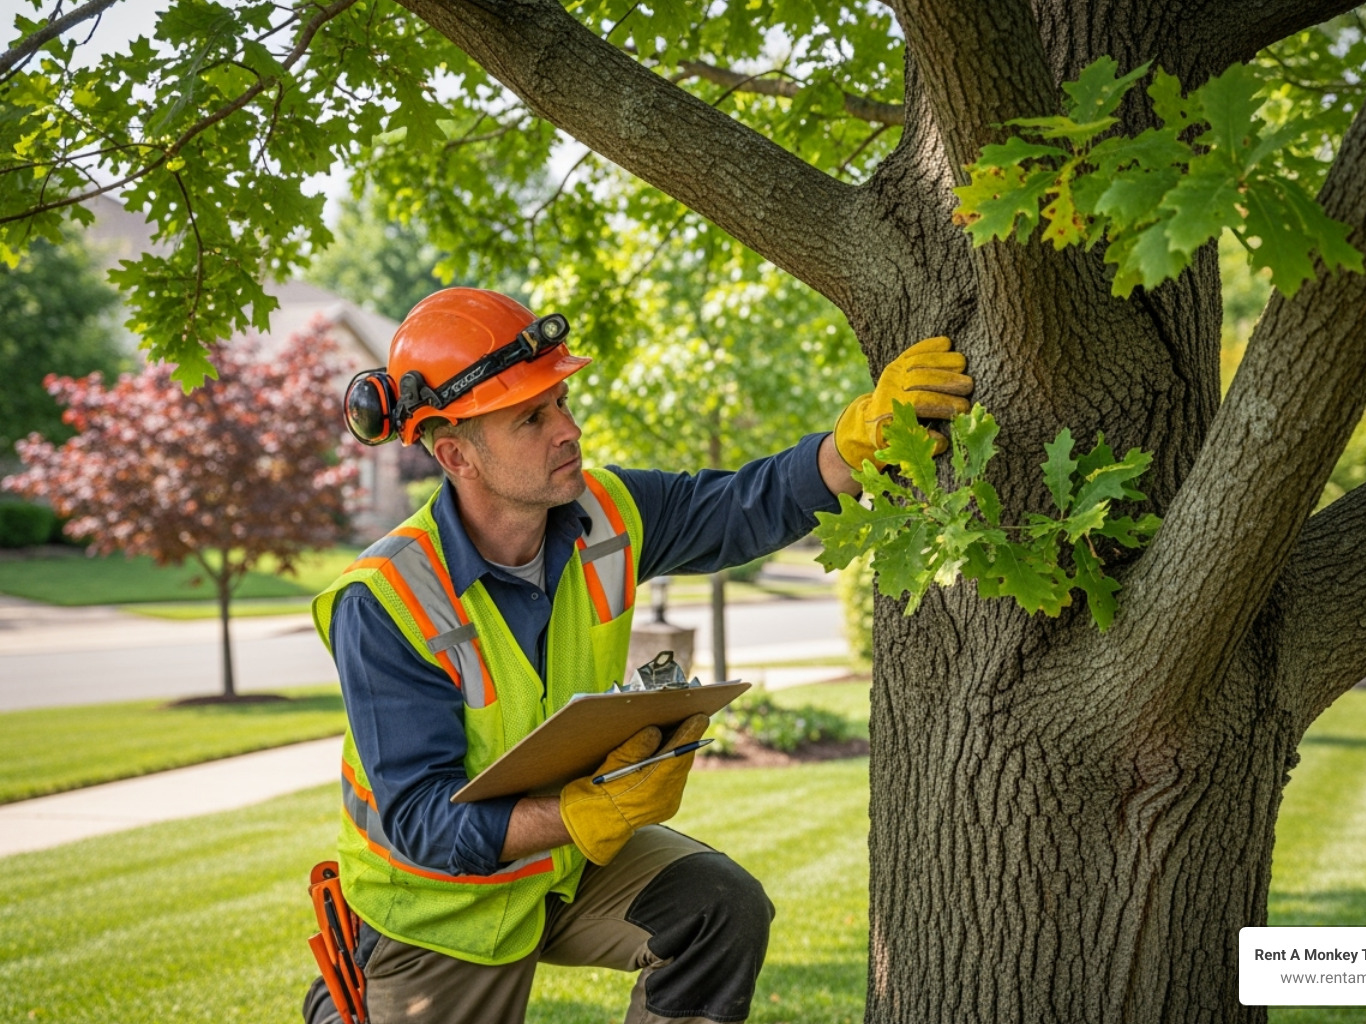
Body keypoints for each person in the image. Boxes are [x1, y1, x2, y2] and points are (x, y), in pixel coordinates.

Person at [304, 287, 973, 1024]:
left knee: (718, 908)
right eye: (533, 417)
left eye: (560, 401)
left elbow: (740, 506)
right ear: (456, 452)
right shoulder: (386, 599)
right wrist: (584, 812)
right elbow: (425, 826)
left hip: (560, 870)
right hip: (435, 915)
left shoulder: (605, 511)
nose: (570, 429)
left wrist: (849, 449)